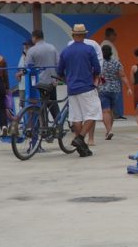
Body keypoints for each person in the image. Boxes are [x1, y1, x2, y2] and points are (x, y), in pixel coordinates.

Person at [56, 23, 102, 157]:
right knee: (93, 114)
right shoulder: (89, 49)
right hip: (87, 86)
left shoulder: (65, 51)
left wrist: (67, 80)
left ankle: (83, 149)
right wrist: (95, 78)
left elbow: (59, 71)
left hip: (72, 89)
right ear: (84, 35)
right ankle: (80, 138)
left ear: (73, 35)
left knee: (76, 117)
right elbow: (97, 68)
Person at [24, 29, 60, 121]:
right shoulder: (52, 48)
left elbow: (28, 67)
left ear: (34, 37)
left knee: (40, 105)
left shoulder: (32, 50)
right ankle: (58, 122)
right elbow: (58, 63)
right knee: (53, 104)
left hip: (39, 83)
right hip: (51, 82)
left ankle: (43, 125)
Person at [98, 44, 130, 140]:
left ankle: (109, 130)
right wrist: (128, 87)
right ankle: (109, 130)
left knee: (105, 111)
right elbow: (123, 76)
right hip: (115, 89)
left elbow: (95, 75)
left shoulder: (99, 63)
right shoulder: (116, 62)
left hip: (103, 89)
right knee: (111, 111)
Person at [100, 27, 125, 120]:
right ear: (110, 35)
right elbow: (115, 61)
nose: (115, 37)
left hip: (106, 80)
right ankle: (115, 113)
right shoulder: (107, 45)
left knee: (107, 98)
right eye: (114, 35)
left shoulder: (105, 44)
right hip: (112, 77)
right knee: (114, 97)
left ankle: (113, 113)